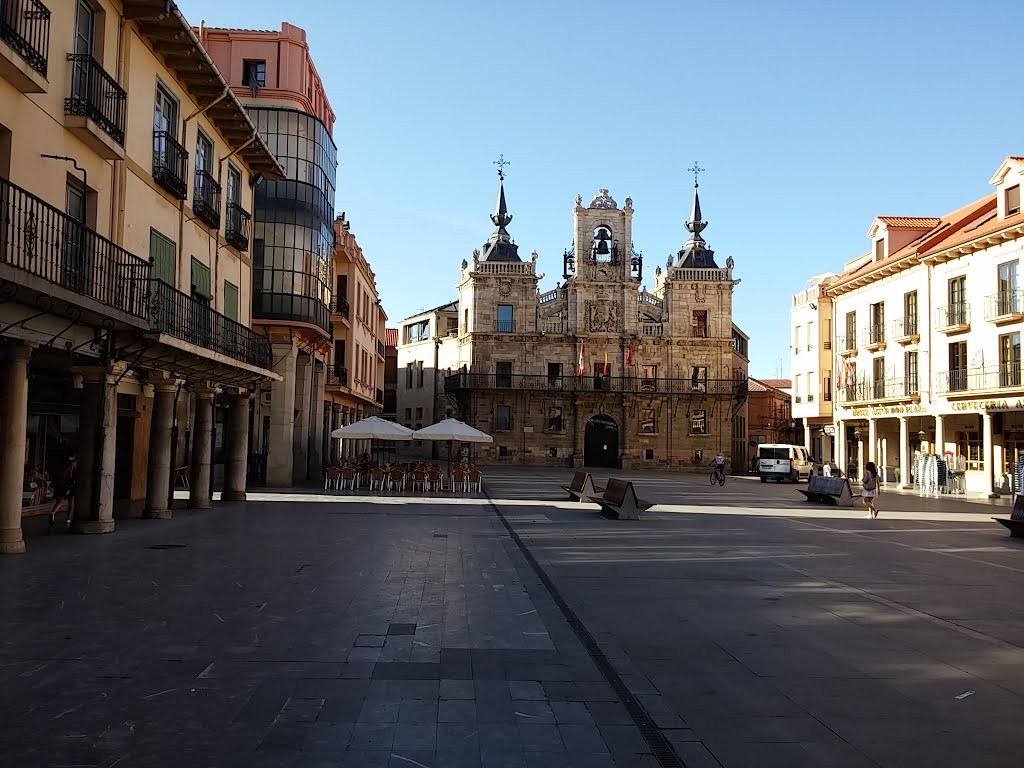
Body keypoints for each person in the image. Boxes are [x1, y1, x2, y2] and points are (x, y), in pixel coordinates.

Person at [49, 454, 77, 528]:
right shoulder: (73, 464)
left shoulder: (61, 464)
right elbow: (74, 475)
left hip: (59, 485)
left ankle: (53, 512)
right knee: (71, 500)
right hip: (69, 485)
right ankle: (68, 517)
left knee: (60, 502)